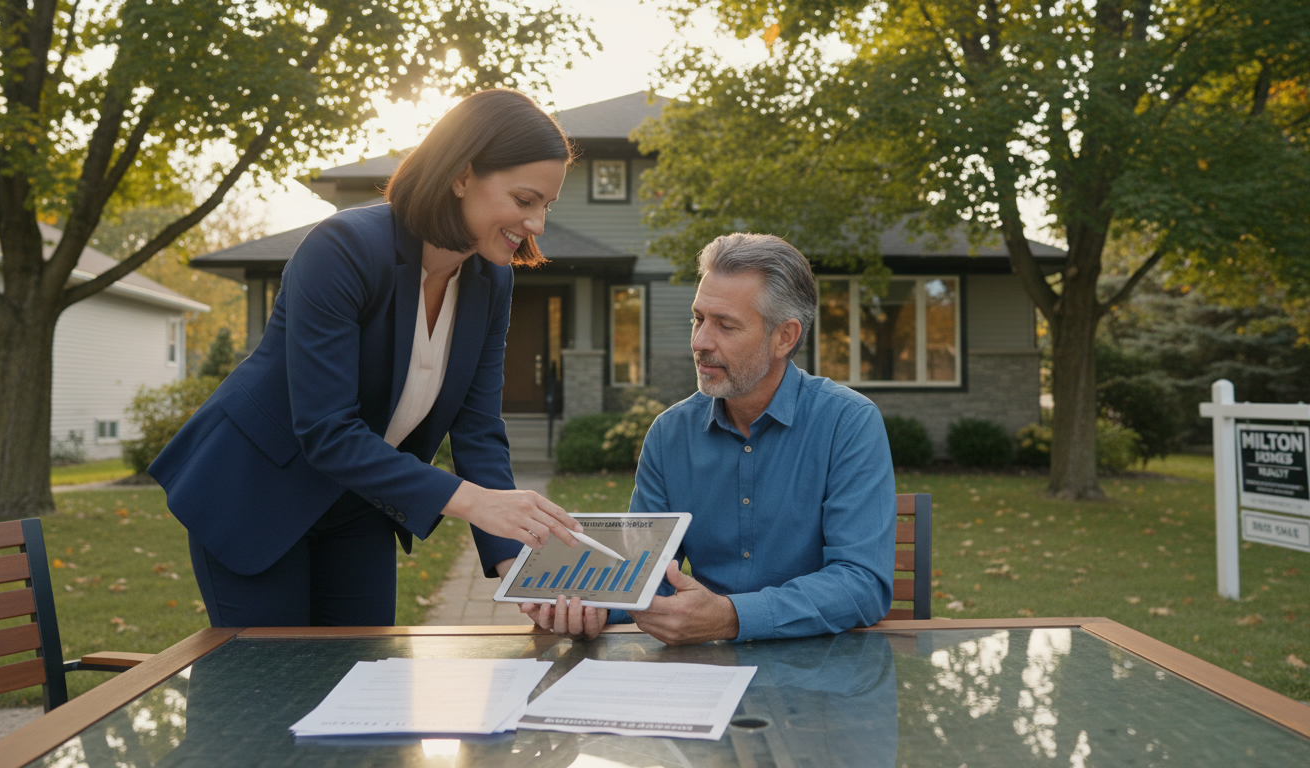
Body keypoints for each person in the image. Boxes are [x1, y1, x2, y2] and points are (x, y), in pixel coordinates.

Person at [150, 89, 585, 628]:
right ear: (461, 176)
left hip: (361, 502)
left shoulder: (492, 280)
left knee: (360, 681)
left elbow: (477, 427)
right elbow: (327, 429)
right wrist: (469, 500)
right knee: (266, 692)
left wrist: (516, 560)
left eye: (547, 205)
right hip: (254, 493)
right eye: (524, 201)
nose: (537, 225)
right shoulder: (343, 249)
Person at [524, 233, 896, 643]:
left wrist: (731, 616)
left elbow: (862, 584)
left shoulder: (848, 423)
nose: (700, 342)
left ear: (784, 337)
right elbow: (644, 573)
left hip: (822, 676)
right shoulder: (670, 434)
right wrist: (590, 603)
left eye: (725, 325)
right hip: (700, 672)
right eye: (698, 318)